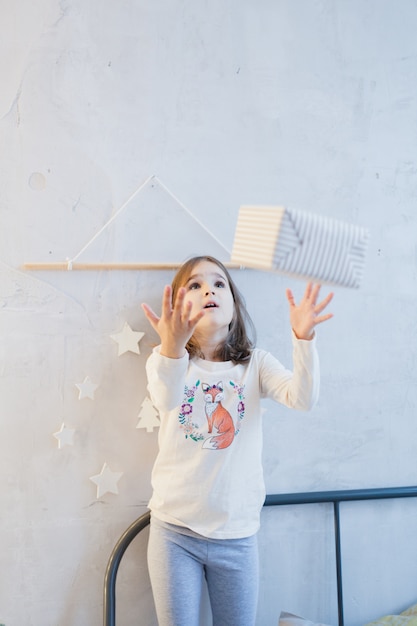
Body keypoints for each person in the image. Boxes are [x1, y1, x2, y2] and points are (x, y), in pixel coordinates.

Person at [141, 255, 333, 626]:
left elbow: (302, 399)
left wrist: (303, 339)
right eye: (194, 285)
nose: (208, 289)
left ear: (234, 305)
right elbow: (165, 399)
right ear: (179, 307)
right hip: (175, 532)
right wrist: (171, 348)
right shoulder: (165, 360)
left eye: (219, 283)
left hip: (237, 535)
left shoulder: (255, 364)